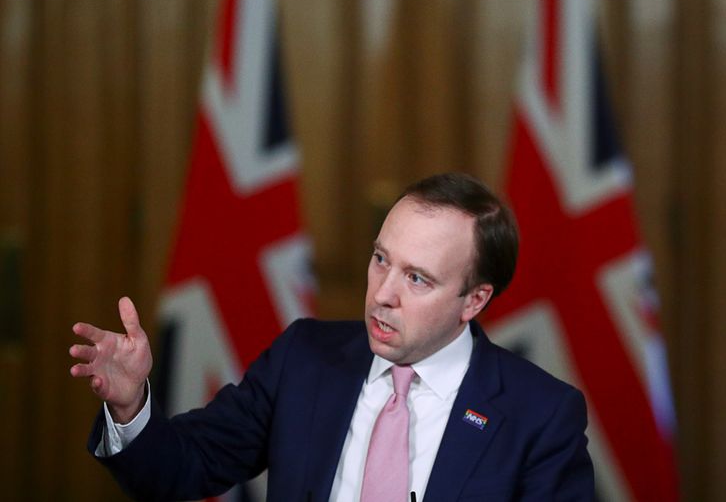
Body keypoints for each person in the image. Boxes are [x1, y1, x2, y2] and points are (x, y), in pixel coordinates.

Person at [70, 172, 594, 501]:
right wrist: (130, 404)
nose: (383, 294)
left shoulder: (540, 414)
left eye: (417, 278)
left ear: (474, 300)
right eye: (380, 259)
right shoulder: (305, 357)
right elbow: (183, 470)